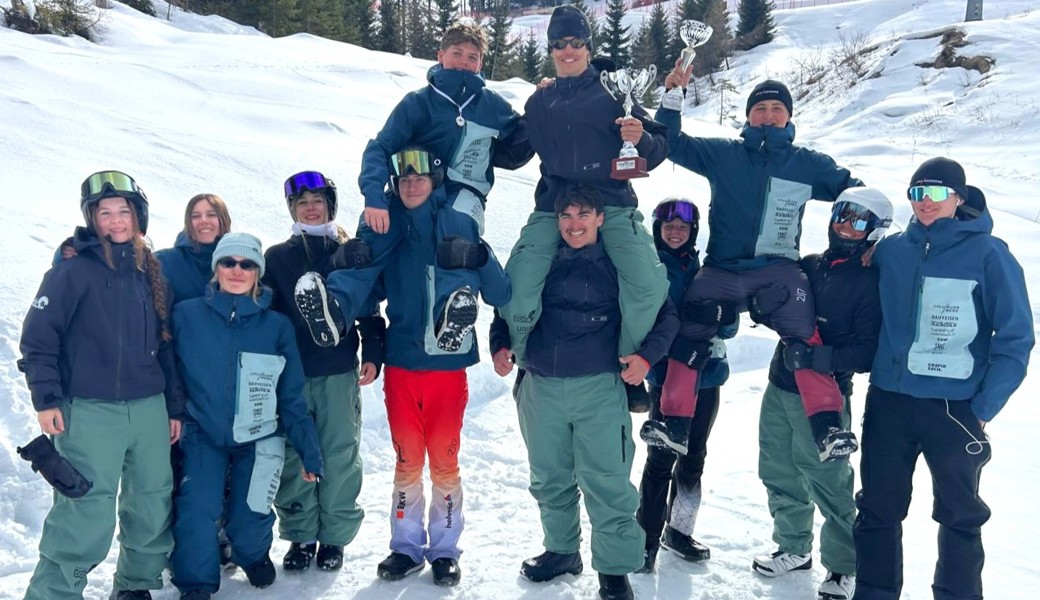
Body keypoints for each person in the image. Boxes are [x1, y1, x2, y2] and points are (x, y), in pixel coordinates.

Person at [648, 66, 863, 458]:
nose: (767, 115)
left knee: (804, 336)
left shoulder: (807, 164)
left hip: (778, 273)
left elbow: (855, 193)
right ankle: (674, 423)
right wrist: (671, 99)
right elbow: (672, 144)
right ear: (748, 116)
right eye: (759, 108)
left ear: (789, 117)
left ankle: (828, 426)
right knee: (691, 328)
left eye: (776, 108)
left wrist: (867, 235)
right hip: (722, 269)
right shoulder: (724, 155)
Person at [319, 149, 511, 587]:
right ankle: (406, 547)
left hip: (447, 370)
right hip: (403, 368)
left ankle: (444, 550)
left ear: (434, 180)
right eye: (403, 180)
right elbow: (370, 295)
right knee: (407, 461)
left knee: (444, 461)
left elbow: (500, 292)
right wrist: (346, 264)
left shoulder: (457, 227)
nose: (410, 185)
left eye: (419, 178)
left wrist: (481, 257)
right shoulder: (391, 235)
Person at [852, 158, 1033, 600]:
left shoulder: (991, 255)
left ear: (959, 197)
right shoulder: (894, 249)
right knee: (877, 509)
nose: (925, 204)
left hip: (954, 409)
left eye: (935, 194)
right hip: (889, 401)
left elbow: (1015, 338)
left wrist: (984, 408)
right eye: (917, 194)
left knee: (960, 516)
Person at [492, 186, 678, 600]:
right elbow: (504, 311)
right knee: (550, 477)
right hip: (539, 386)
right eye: (566, 217)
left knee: (607, 480)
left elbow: (665, 315)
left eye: (583, 215)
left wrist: (647, 358)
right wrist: (499, 344)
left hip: (598, 387)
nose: (574, 225)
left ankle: (614, 572)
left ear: (600, 219)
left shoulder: (618, 266)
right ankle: (561, 551)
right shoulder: (540, 265)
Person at [19, 170, 184, 600]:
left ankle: (135, 585)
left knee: (151, 500)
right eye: (104, 213)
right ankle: (55, 593)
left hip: (148, 407)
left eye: (122, 211)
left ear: (138, 215)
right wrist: (46, 398)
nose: (114, 221)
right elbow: (39, 337)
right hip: (90, 410)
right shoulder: (72, 271)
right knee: (85, 509)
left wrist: (173, 408)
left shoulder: (152, 272)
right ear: (92, 219)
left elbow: (166, 346)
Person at [497, 5, 670, 413]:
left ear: (588, 48)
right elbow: (512, 152)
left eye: (576, 43)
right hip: (554, 207)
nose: (568, 50)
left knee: (647, 285)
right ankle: (525, 357)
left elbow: (658, 149)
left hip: (610, 202)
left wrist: (640, 137)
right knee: (518, 282)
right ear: (551, 48)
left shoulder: (612, 93)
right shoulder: (541, 102)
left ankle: (628, 368)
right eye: (560, 43)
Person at [750, 188, 893, 600]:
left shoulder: (869, 283)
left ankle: (843, 566)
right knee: (777, 470)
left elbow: (866, 351)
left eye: (860, 220)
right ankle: (794, 547)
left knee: (829, 480)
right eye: (842, 215)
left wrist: (817, 357)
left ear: (875, 230)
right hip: (780, 386)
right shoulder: (810, 265)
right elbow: (782, 307)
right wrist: (763, 308)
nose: (846, 225)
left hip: (826, 397)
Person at [170, 233, 324, 600]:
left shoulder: (276, 327)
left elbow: (291, 394)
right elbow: (167, 371)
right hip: (202, 433)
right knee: (197, 509)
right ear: (216, 269)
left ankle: (251, 553)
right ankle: (195, 582)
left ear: (258, 272)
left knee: (250, 514)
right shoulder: (185, 315)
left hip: (258, 436)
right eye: (228, 262)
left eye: (247, 264)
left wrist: (308, 450)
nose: (237, 271)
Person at [264, 172, 384, 573]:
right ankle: (300, 536)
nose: (311, 208)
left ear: (330, 206)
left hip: (337, 371)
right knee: (296, 454)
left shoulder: (348, 251)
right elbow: (266, 313)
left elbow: (369, 306)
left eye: (317, 200)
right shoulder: (277, 257)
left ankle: (334, 536)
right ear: (293, 211)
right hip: (292, 374)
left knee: (338, 453)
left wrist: (374, 350)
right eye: (302, 203)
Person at [634, 198, 736, 574]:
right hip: (666, 376)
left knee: (694, 455)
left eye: (682, 227)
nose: (675, 232)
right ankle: (646, 538)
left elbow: (730, 326)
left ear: (692, 231)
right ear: (659, 230)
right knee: (661, 457)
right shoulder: (648, 269)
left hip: (707, 376)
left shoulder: (707, 271)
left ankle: (678, 530)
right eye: (668, 226)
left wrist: (721, 314)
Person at [358, 19, 531, 237]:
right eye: (457, 53)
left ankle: (480, 269)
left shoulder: (491, 105)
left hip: (466, 192)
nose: (464, 62)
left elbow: (519, 139)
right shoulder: (418, 103)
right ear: (441, 56)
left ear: (480, 63)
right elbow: (380, 148)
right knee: (373, 231)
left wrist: (541, 105)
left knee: (455, 236)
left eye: (472, 57)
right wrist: (374, 197)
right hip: (416, 186)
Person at [155, 193, 232, 305]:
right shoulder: (163, 261)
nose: (203, 220)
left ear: (224, 220)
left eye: (211, 215)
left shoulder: (240, 264)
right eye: (195, 216)